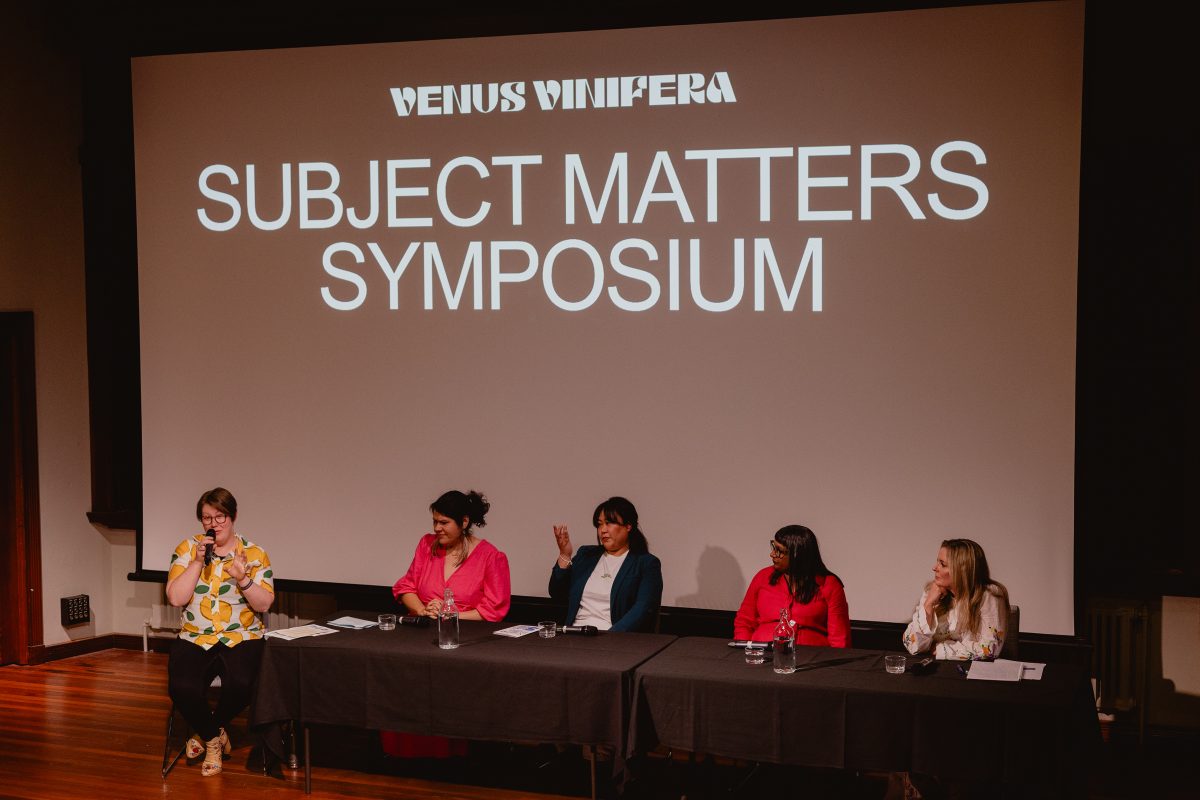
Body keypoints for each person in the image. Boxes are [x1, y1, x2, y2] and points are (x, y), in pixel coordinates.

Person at [165, 487, 274, 777]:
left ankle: (205, 733)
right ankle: (215, 739)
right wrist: (198, 562)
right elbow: (176, 598)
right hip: (195, 636)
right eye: (206, 518)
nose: (213, 524)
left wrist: (244, 579)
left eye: (220, 517)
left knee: (243, 683)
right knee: (181, 687)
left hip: (241, 635)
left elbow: (265, 603)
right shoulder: (188, 549)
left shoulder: (254, 553)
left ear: (233, 516)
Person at [393, 489, 511, 621]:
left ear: (464, 522)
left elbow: (493, 610)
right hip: (424, 631)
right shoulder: (427, 544)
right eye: (435, 521)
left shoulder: (491, 557)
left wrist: (450, 615)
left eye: (444, 522)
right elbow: (406, 588)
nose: (436, 528)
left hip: (468, 633)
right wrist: (422, 610)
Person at [549, 496, 663, 633]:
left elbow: (643, 609)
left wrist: (611, 638)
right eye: (599, 524)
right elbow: (556, 593)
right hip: (575, 634)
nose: (602, 530)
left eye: (609, 523)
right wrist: (565, 554)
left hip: (614, 640)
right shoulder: (586, 555)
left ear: (628, 526)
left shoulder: (646, 563)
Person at [733, 524, 851, 646]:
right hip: (762, 656)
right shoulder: (763, 576)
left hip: (812, 658)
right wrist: (745, 651)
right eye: (774, 547)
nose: (772, 554)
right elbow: (744, 621)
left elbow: (840, 637)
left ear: (797, 555)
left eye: (780, 551)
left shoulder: (829, 584)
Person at [902, 538, 1010, 660]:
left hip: (972, 673)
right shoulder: (932, 591)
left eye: (942, 564)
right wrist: (928, 606)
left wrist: (941, 649)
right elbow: (912, 644)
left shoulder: (989, 595)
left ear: (962, 570)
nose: (934, 567)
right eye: (937, 562)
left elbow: (989, 650)